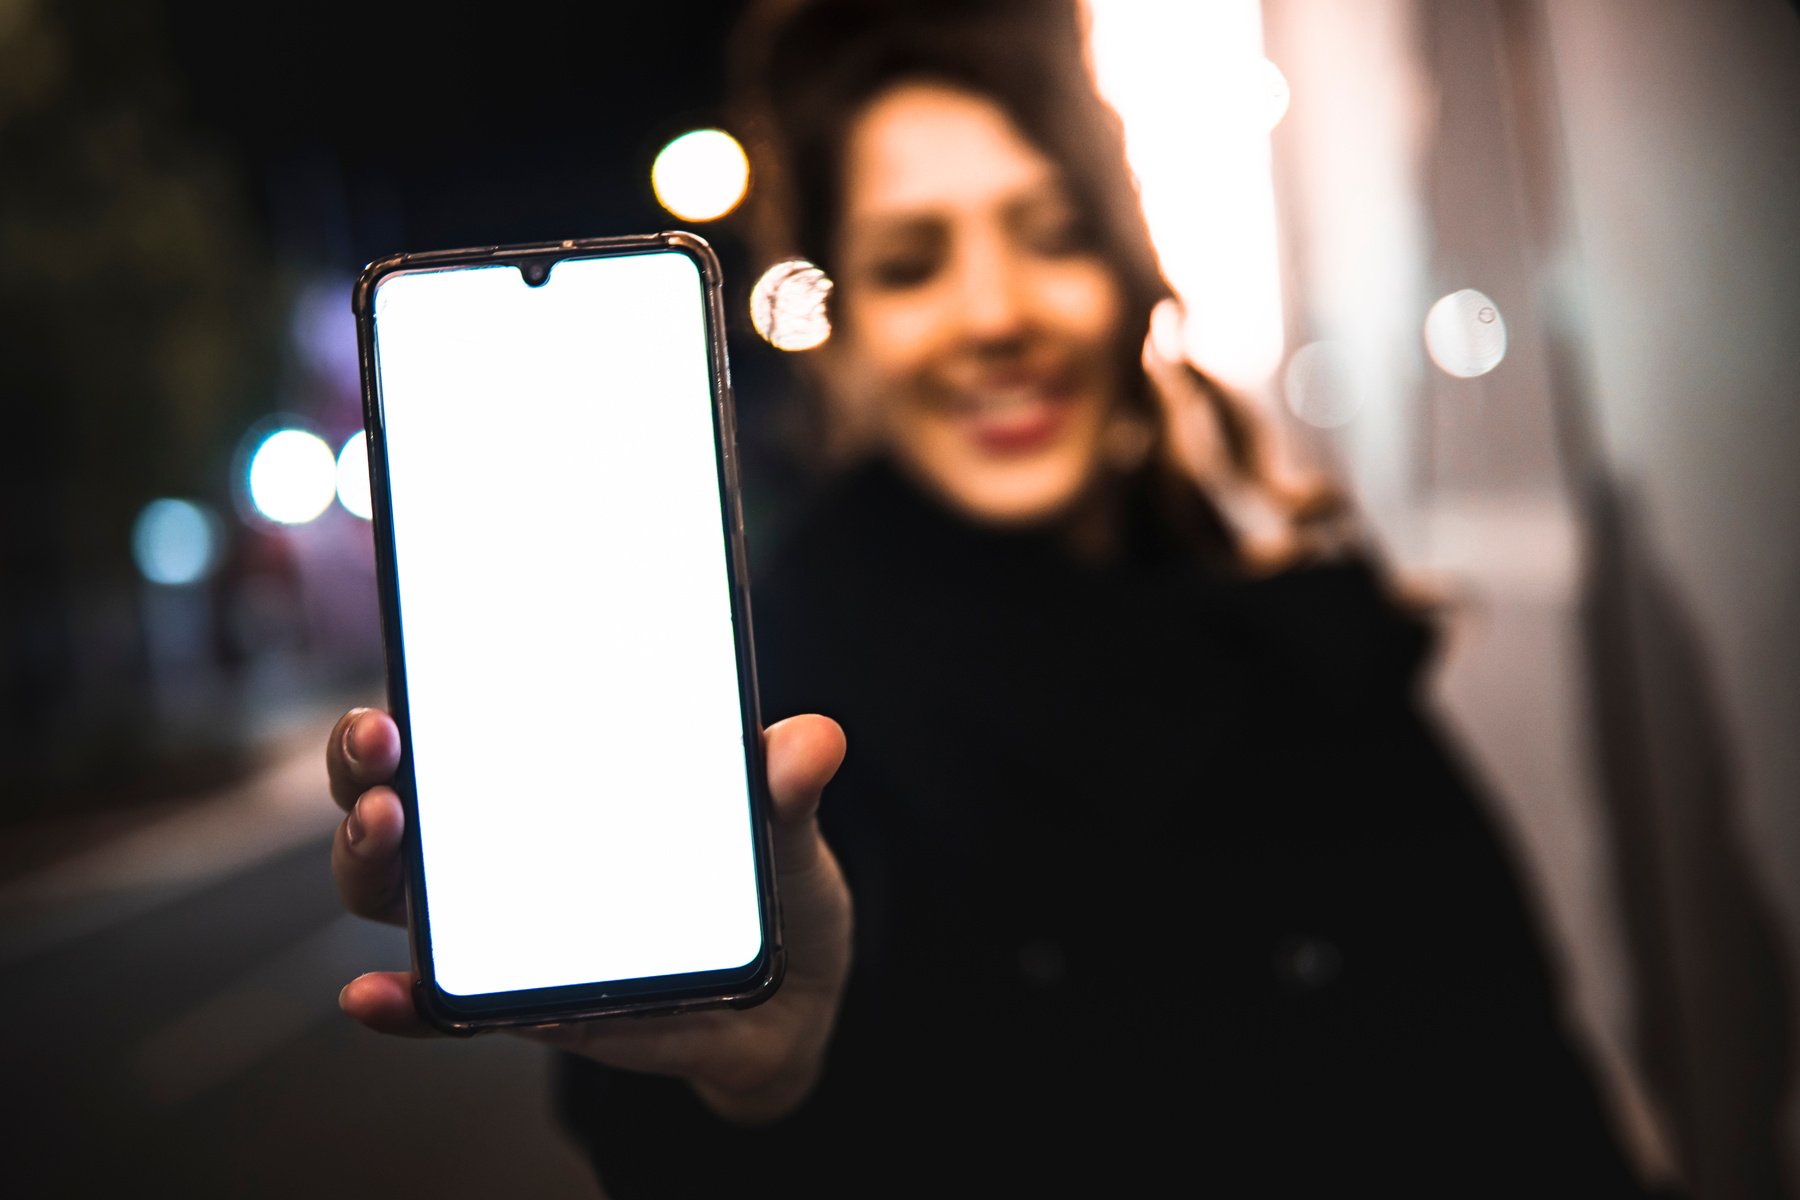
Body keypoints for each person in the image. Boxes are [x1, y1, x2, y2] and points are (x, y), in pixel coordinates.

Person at [327, 0, 1652, 1192]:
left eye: (1050, 236)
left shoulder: (1307, 648)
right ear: (843, 333)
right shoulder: (756, 725)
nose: (996, 314)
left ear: (1126, 271)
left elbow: (1536, 1109)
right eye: (914, 264)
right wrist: (763, 1089)